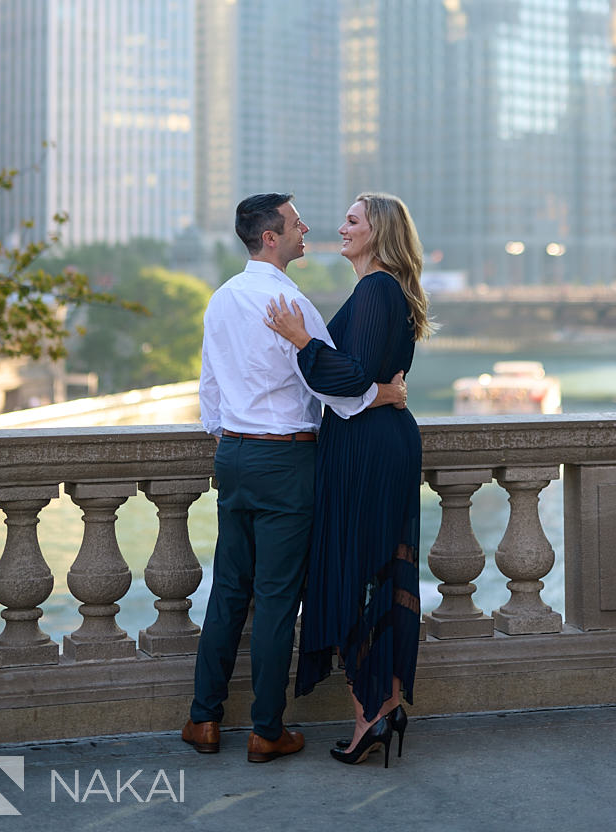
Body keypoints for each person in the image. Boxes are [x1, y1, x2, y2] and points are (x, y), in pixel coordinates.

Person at [182, 193, 407, 764]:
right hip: (285, 460)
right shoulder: (292, 303)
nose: (308, 228)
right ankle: (265, 730)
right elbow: (337, 386)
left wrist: (231, 435)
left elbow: (209, 387)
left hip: (232, 455)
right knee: (278, 598)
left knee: (229, 591)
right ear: (272, 238)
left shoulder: (222, 298)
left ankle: (203, 720)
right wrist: (385, 392)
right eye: (296, 222)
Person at [264, 192, 431, 766]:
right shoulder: (381, 290)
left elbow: (349, 375)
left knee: (368, 570)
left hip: (369, 449)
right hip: (374, 439)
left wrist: (302, 341)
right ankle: (381, 704)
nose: (341, 227)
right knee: (376, 568)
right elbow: (366, 379)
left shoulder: (377, 289)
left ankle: (372, 714)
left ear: (378, 232)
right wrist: (379, 390)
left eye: (353, 220)